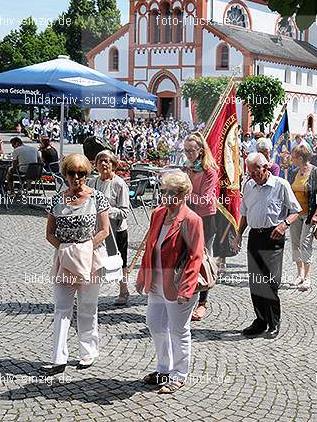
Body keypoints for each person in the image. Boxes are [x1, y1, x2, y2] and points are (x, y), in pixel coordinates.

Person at [135, 171, 205, 394]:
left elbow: (196, 256)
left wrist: (187, 288)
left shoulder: (192, 220)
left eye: (171, 193)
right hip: (156, 282)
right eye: (163, 191)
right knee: (155, 324)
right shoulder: (158, 214)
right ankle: (163, 369)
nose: (166, 196)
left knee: (178, 330)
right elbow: (149, 247)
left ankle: (179, 374)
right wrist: (142, 276)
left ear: (183, 194)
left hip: (178, 285)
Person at [42, 154, 111, 376]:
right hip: (65, 261)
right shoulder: (57, 200)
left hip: (91, 259)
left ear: (86, 175)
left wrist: (86, 248)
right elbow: (49, 234)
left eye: (81, 173)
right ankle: (58, 358)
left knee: (88, 307)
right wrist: (64, 249)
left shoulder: (97, 198)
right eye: (72, 173)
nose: (76, 178)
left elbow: (104, 230)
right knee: (61, 308)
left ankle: (88, 352)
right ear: (65, 174)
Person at [233, 153, 301, 338]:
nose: (252, 176)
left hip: (274, 236)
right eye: (249, 173)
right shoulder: (249, 185)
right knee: (255, 280)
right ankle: (260, 320)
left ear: (265, 168)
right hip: (255, 235)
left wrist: (284, 224)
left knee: (270, 281)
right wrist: (239, 234)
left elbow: (295, 211)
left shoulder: (281, 185)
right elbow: (245, 214)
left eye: (255, 172)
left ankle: (273, 321)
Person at [182, 133, 218, 321]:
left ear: (201, 151)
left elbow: (204, 199)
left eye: (191, 150)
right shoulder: (188, 168)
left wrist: (184, 196)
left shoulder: (209, 171)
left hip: (205, 218)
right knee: (187, 256)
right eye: (186, 150)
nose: (188, 153)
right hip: (188, 216)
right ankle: (188, 292)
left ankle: (203, 302)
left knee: (204, 259)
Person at [90, 151, 131, 305]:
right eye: (100, 161)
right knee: (94, 261)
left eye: (107, 161)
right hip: (97, 230)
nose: (104, 164)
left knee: (120, 262)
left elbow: (124, 211)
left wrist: (105, 211)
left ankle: (124, 290)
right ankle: (90, 292)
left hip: (116, 230)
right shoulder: (92, 182)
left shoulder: (119, 184)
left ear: (113, 164)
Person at [288, 145, 317, 290]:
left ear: (301, 158)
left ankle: (308, 277)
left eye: (294, 157)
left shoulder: (316, 172)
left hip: (309, 214)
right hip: (295, 213)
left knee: (305, 243)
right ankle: (299, 274)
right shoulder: (294, 172)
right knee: (295, 244)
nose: (292, 159)